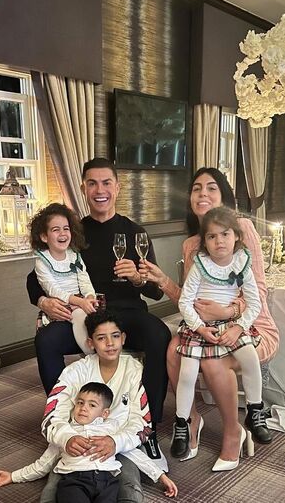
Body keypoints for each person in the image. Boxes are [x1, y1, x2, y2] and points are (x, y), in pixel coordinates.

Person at [27, 158, 171, 464]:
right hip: (87, 316)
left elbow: (155, 291)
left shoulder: (134, 232)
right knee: (47, 340)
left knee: (159, 335)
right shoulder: (73, 232)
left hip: (127, 313)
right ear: (83, 189)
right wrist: (43, 301)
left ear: (117, 187)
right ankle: (63, 424)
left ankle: (148, 427)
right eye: (92, 183)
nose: (100, 190)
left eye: (106, 183)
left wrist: (137, 278)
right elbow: (36, 276)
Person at [139, 167, 279, 469]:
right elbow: (191, 300)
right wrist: (163, 280)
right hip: (205, 328)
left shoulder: (241, 228)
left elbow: (258, 291)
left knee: (214, 362)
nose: (203, 193)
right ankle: (190, 420)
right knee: (173, 349)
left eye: (211, 187)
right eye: (196, 188)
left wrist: (228, 313)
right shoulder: (192, 244)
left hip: (250, 324)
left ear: (224, 196)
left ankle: (233, 430)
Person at [37, 311, 174, 502]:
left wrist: (116, 441)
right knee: (52, 492)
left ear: (123, 338)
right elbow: (52, 417)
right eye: (101, 338)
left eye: (115, 336)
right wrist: (67, 438)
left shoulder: (135, 370)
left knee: (130, 491)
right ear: (91, 343)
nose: (110, 343)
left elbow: (142, 423)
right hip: (79, 443)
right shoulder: (75, 371)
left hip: (122, 446)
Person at [173, 207, 272, 470]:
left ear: (236, 236)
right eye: (212, 236)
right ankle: (182, 423)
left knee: (250, 357)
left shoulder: (242, 262)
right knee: (187, 371)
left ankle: (254, 411)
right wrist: (199, 327)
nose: (219, 241)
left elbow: (254, 303)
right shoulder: (200, 265)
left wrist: (239, 327)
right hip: (200, 326)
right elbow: (185, 301)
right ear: (204, 241)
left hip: (230, 325)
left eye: (225, 234)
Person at [0, 382, 178, 501]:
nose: (83, 408)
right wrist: (13, 476)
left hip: (108, 481)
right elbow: (43, 464)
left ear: (104, 413)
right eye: (80, 402)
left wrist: (161, 476)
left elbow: (135, 454)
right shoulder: (64, 433)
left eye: (92, 405)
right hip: (74, 482)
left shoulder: (111, 432)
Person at [29, 203, 96, 354]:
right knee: (81, 317)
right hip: (61, 305)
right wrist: (79, 302)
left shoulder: (74, 255)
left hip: (80, 301)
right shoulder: (42, 261)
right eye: (55, 230)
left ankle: (102, 355)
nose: (62, 233)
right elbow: (53, 290)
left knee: (98, 317)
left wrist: (90, 296)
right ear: (44, 236)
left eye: (66, 228)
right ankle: (91, 356)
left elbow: (84, 280)